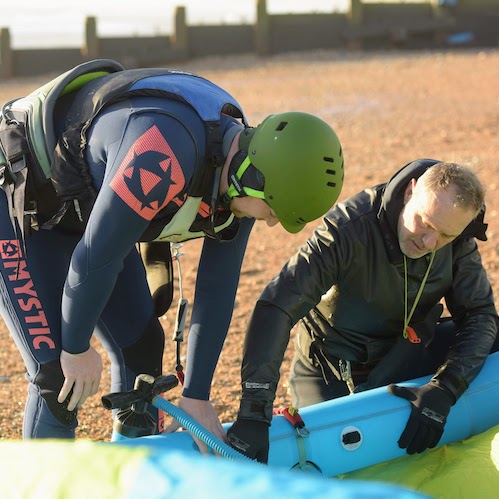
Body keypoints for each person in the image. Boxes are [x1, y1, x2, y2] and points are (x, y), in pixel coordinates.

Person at [0, 59, 344, 442]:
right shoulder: (161, 152)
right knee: (58, 379)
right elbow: (96, 257)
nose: (271, 223)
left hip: (86, 208)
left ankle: (137, 473)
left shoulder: (248, 164)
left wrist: (196, 395)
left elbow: (217, 289)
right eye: (273, 210)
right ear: (253, 176)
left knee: (142, 352)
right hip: (20, 200)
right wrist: (76, 347)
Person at [226, 159, 498, 463]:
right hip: (334, 372)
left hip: (408, 353)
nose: (429, 241)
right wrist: (253, 412)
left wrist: (446, 387)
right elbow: (276, 306)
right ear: (411, 192)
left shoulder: (456, 235)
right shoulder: (348, 228)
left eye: (445, 235)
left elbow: (480, 315)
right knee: (333, 461)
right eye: (426, 222)